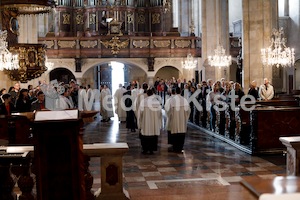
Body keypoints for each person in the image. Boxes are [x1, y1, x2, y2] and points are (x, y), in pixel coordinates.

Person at [165, 87, 190, 153]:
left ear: (175, 92)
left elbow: (168, 111)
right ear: (181, 92)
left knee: (175, 134)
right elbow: (188, 111)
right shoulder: (184, 100)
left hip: (174, 120)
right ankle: (180, 148)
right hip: (182, 121)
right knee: (181, 134)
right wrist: (185, 118)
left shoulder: (171, 100)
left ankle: (175, 148)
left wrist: (169, 117)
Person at [138, 88, 162, 154]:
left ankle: (145, 149)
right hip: (154, 123)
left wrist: (139, 123)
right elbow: (160, 113)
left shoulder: (143, 101)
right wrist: (159, 122)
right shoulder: (156, 102)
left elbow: (140, 113)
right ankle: (152, 149)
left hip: (145, 123)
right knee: (153, 136)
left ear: (147, 94)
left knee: (145, 135)